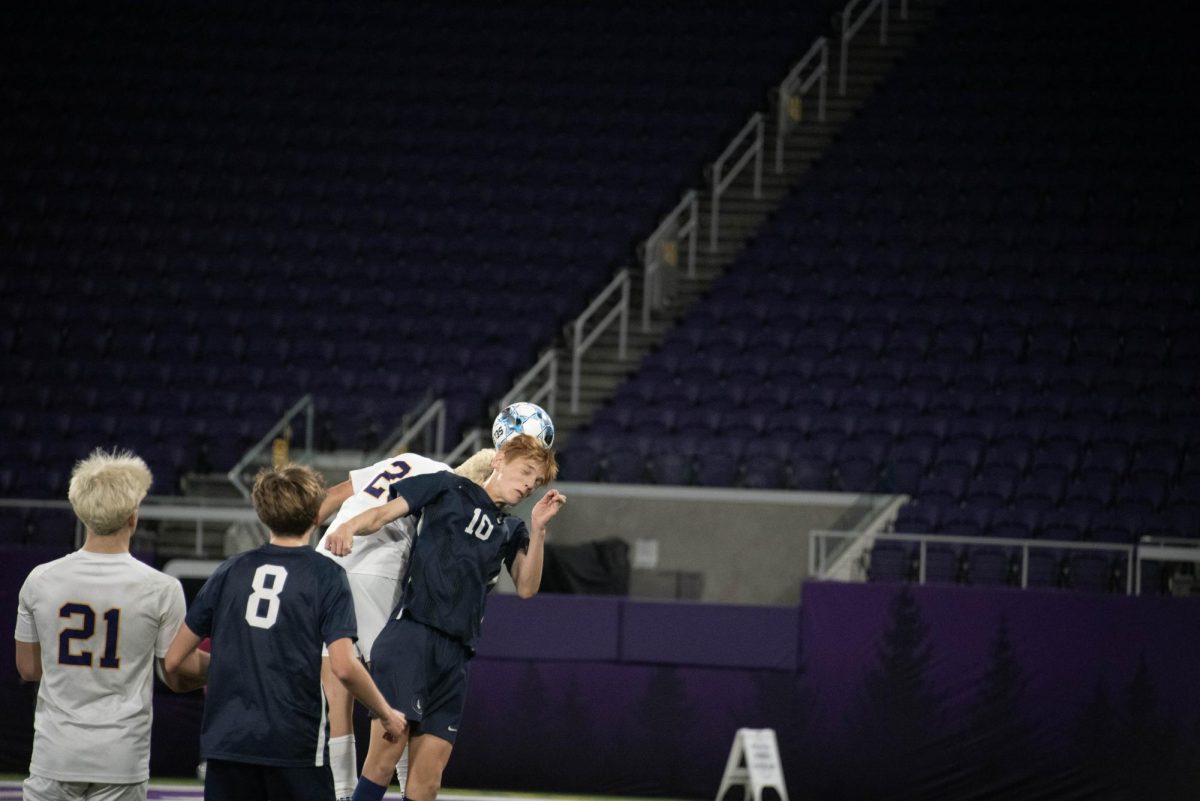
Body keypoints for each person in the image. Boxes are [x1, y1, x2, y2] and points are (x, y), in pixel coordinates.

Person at [323, 434, 566, 801]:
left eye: (536, 481)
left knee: (427, 784)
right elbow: (382, 514)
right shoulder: (445, 486)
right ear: (499, 460)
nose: (529, 484)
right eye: (526, 471)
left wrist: (539, 528)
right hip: (412, 638)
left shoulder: (511, 528)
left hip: (456, 657)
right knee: (382, 761)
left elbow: (528, 588)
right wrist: (348, 526)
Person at [163, 464, 408, 801]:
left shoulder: (230, 570)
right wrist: (386, 714)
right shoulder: (327, 575)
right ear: (315, 515)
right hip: (296, 747)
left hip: (228, 743)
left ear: (263, 512)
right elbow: (343, 666)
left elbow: (174, 661)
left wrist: (234, 669)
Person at [14, 448, 207, 801]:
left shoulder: (40, 580)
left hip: (55, 751)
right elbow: (176, 675)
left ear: (81, 512)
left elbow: (28, 669)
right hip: (121, 757)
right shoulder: (161, 588)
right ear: (133, 517)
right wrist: (232, 662)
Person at [313, 448, 496, 801]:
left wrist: (299, 550)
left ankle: (342, 791)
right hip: (378, 572)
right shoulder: (452, 492)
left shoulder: (412, 461)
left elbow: (332, 497)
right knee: (400, 694)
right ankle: (409, 786)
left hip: (326, 559)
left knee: (337, 688)